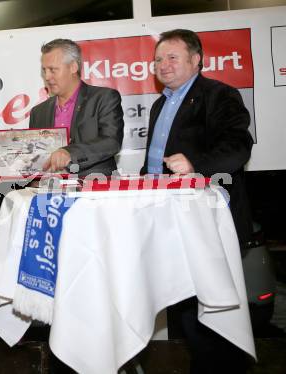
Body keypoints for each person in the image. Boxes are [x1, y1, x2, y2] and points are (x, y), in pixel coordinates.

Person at [141, 29, 253, 373]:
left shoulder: (219, 95)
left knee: (215, 311)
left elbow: (238, 146)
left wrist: (196, 167)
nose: (163, 64)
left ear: (196, 60)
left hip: (206, 222)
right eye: (159, 59)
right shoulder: (161, 103)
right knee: (185, 308)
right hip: (171, 222)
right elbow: (155, 163)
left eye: (172, 57)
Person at [29, 38, 124, 176]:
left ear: (73, 67)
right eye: (44, 70)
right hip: (50, 191)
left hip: (95, 189)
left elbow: (111, 142)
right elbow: (34, 156)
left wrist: (69, 152)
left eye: (53, 70)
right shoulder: (38, 112)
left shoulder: (104, 98)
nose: (47, 76)